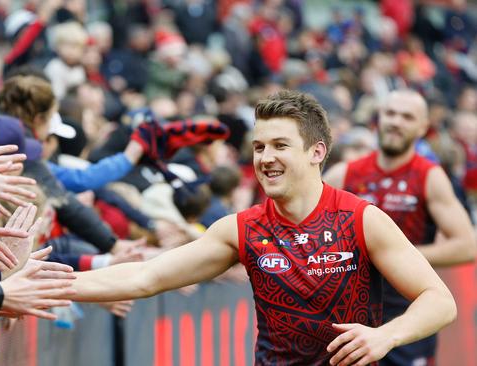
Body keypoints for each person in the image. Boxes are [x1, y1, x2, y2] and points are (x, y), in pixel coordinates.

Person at [68, 90, 456, 365]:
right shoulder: (242, 229)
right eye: (258, 147)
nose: (266, 158)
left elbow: (439, 300)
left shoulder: (361, 219)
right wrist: (42, 288)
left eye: (280, 146)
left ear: (316, 152)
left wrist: (385, 335)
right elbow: (145, 278)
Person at [324, 89, 476, 366]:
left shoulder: (428, 176)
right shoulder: (345, 174)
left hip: (408, 318)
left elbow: (468, 246)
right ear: (378, 119)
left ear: (422, 127)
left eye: (407, 117)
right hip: (349, 318)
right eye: (390, 114)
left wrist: (398, 258)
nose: (396, 122)